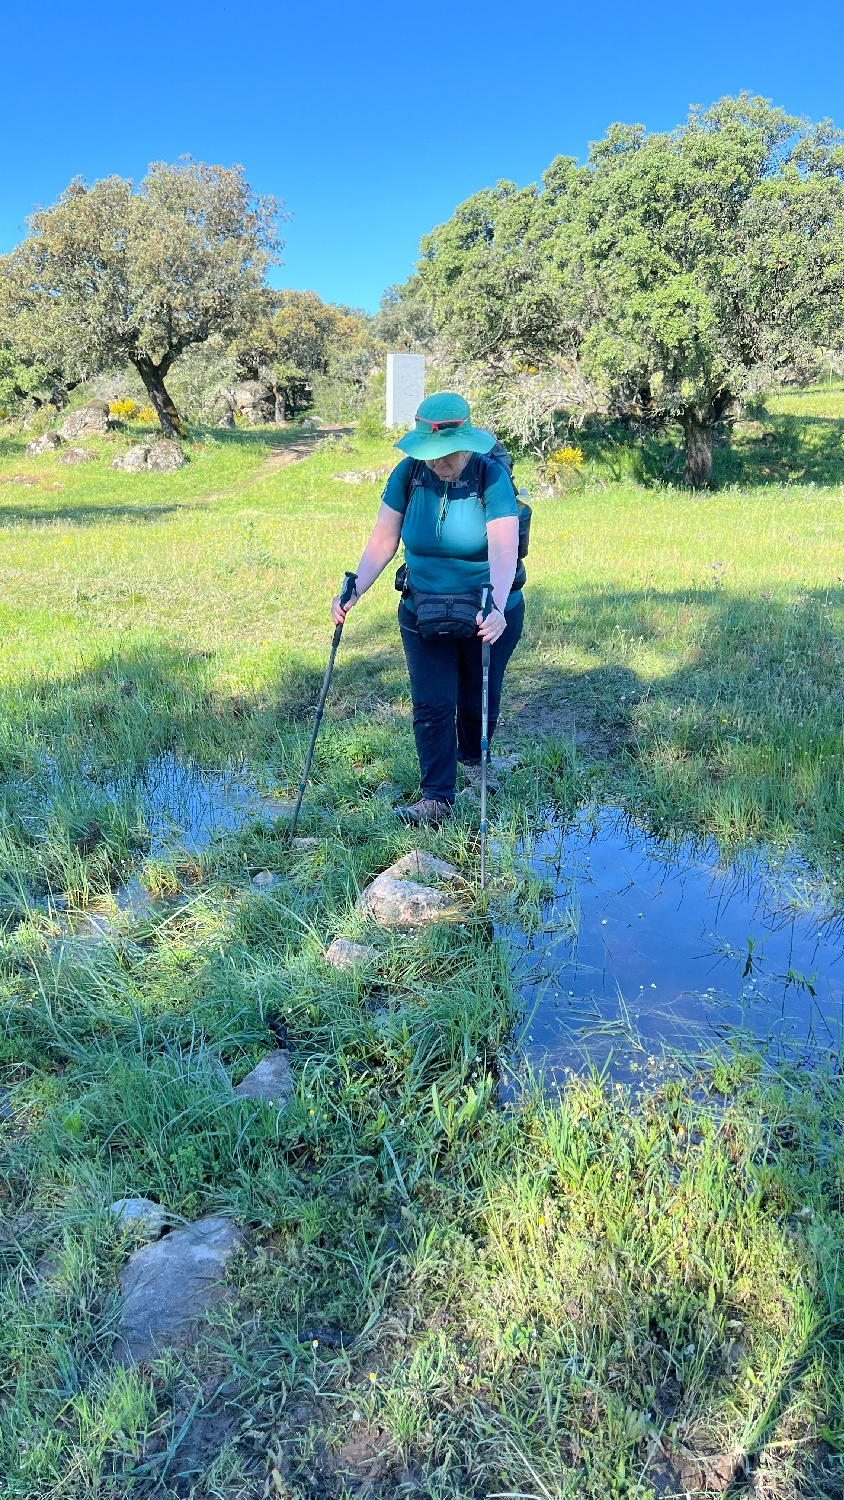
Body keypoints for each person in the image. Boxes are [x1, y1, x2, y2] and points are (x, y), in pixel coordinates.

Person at [330, 391, 524, 824]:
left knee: (477, 698)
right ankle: (436, 799)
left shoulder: (491, 477)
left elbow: (504, 548)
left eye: (447, 456)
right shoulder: (409, 474)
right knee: (432, 704)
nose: (439, 463)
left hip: (486, 612)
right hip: (424, 608)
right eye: (431, 455)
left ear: (467, 443)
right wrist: (353, 589)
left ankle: (474, 761)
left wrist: (496, 605)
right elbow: (383, 540)